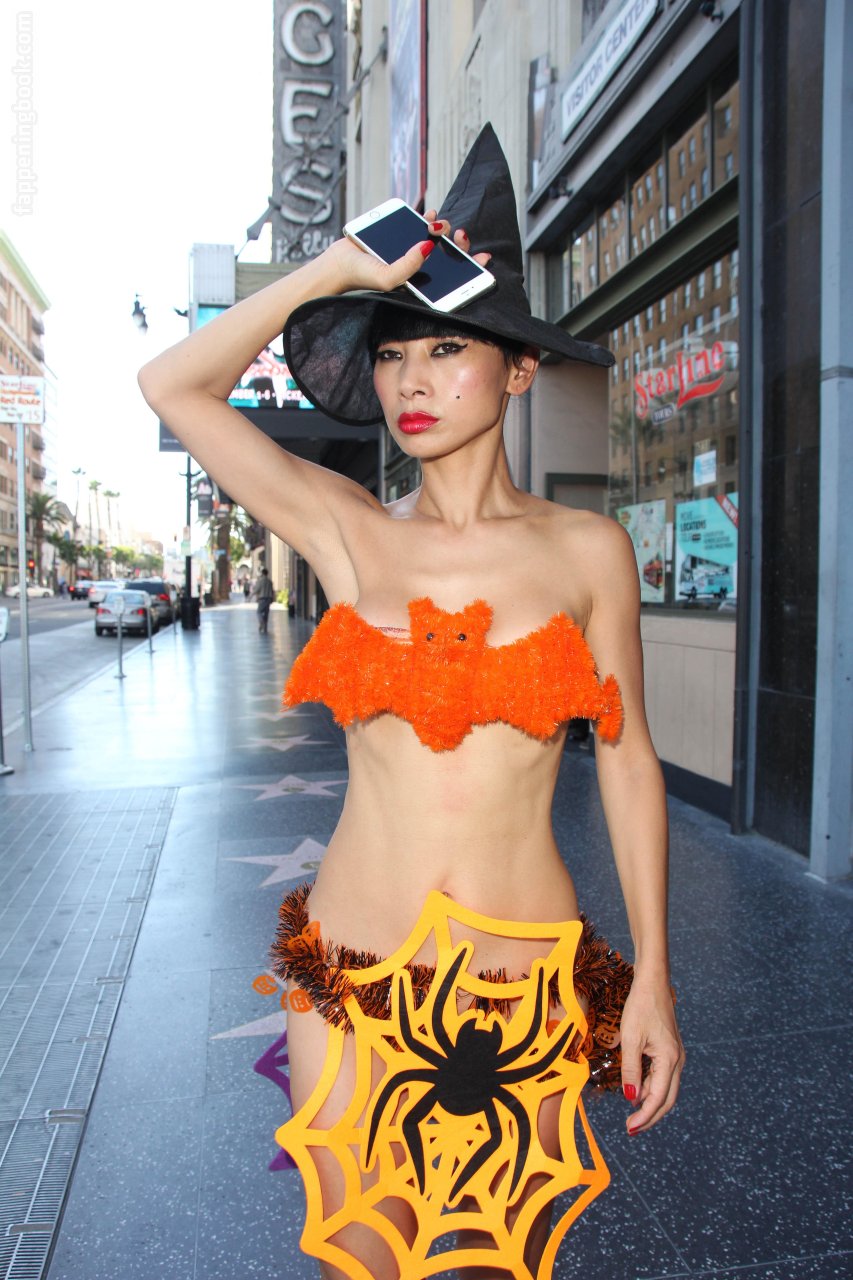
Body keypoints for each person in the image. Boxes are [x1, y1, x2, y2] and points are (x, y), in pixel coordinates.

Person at [139, 125, 683, 1280]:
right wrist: (334, 269)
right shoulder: (347, 530)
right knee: (362, 1260)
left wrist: (652, 974)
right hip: (350, 970)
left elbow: (628, 758)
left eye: (446, 347)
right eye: (391, 354)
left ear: (519, 369)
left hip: (522, 980)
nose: (413, 381)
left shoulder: (588, 549)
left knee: (492, 1265)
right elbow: (170, 386)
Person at [253, 567, 275, 633]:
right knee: (266, 613)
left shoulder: (260, 581)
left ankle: (261, 622)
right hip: (268, 599)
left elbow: (256, 590)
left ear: (262, 573)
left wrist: (250, 596)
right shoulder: (270, 581)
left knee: (259, 612)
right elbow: (272, 591)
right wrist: (273, 599)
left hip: (262, 599)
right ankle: (265, 628)